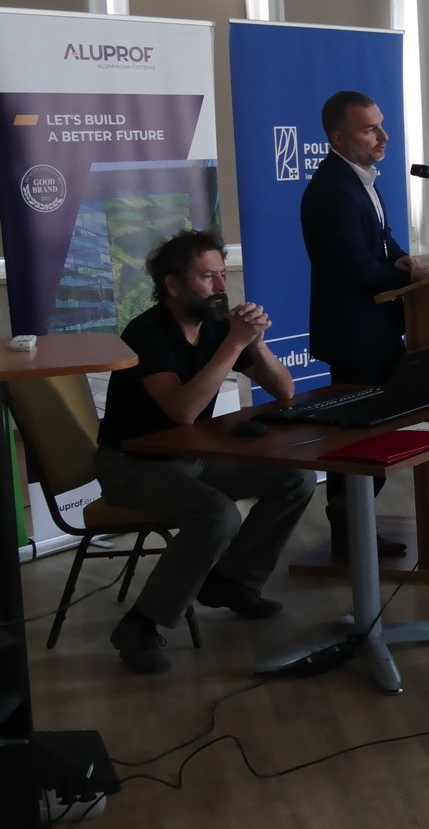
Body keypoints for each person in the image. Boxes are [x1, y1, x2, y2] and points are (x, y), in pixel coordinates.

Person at [95, 231, 315, 675]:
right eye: (207, 276)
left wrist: (255, 342)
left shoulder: (215, 327)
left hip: (190, 458)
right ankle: (139, 625)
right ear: (173, 285)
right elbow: (182, 411)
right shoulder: (147, 333)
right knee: (217, 514)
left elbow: (284, 390)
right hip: (131, 465)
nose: (220, 286)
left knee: (295, 478)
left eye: (222, 274)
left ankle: (231, 582)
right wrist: (233, 344)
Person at [300, 90, 429, 556]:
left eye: (381, 124)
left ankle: (352, 524)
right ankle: (349, 527)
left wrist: (404, 259)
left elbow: (382, 241)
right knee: (360, 432)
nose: (383, 136)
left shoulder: (360, 179)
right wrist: (406, 277)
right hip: (354, 333)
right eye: (369, 129)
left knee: (378, 427)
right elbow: (355, 268)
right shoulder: (332, 190)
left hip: (375, 327)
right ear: (338, 138)